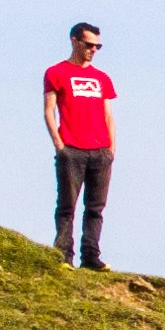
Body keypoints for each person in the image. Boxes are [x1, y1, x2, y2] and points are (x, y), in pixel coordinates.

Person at [41, 23, 118, 268]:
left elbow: (108, 115)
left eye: (98, 46)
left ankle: (91, 257)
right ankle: (63, 255)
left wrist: (111, 149)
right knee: (67, 206)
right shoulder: (56, 72)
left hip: (100, 151)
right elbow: (48, 110)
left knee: (95, 208)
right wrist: (59, 144)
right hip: (71, 149)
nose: (93, 50)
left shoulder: (102, 78)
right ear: (75, 41)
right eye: (89, 44)